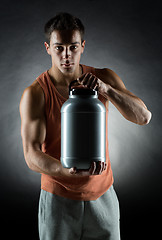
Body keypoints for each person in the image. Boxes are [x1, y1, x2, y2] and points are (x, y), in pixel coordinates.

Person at [19, 12, 152, 240]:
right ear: (48, 48)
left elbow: (143, 117)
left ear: (82, 46)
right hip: (58, 199)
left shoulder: (103, 77)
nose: (66, 55)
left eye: (73, 47)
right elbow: (31, 155)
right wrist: (65, 171)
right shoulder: (36, 93)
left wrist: (107, 90)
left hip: (103, 195)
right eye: (59, 47)